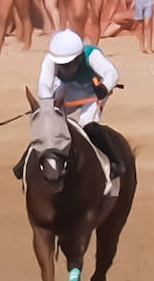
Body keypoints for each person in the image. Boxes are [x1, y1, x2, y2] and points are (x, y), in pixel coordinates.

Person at [15, 29, 122, 179]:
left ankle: (116, 161)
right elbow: (44, 85)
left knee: (87, 123)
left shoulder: (91, 55)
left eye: (69, 65)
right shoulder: (50, 60)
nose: (64, 70)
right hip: (69, 90)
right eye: (61, 66)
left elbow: (111, 72)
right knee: (48, 122)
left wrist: (105, 87)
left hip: (93, 92)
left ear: (78, 59)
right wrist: (47, 107)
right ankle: (25, 159)